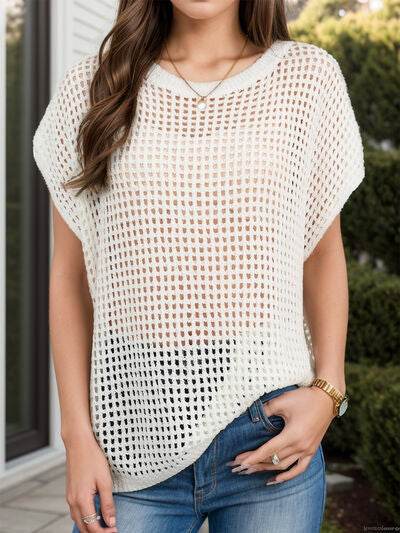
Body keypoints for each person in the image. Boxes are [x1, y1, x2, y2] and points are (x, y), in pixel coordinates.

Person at [32, 1, 365, 532]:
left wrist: (328, 391)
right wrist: (77, 436)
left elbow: (322, 253)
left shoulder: (307, 78)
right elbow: (70, 278)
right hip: (131, 428)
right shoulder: (94, 88)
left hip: (268, 423)